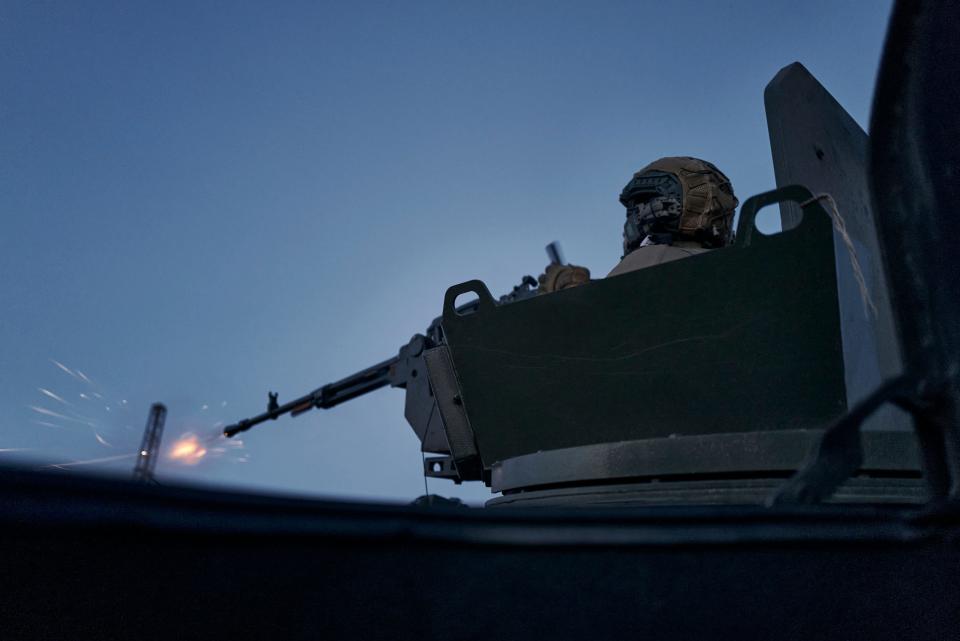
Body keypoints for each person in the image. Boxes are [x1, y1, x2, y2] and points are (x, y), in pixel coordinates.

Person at [537, 156, 738, 293]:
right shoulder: (730, 268)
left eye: (637, 206)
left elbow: (598, 325)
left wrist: (564, 293)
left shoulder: (655, 258)